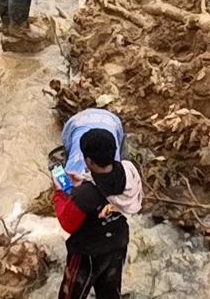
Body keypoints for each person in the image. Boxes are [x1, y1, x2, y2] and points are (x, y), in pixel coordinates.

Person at [52, 128, 142, 299]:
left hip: (88, 252)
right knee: (110, 292)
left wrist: (59, 193)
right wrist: (83, 181)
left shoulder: (86, 195)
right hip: (118, 242)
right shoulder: (129, 172)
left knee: (71, 295)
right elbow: (104, 186)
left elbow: (67, 223)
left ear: (89, 161)